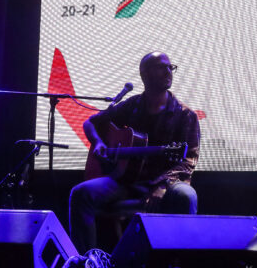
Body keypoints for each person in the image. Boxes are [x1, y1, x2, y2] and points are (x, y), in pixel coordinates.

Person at [69, 52, 200, 254]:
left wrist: (163, 185)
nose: (168, 72)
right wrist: (98, 143)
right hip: (127, 180)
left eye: (170, 67)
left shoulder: (185, 115)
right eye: (161, 67)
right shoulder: (133, 105)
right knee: (81, 193)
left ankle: (179, 264)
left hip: (165, 181)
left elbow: (188, 161)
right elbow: (91, 123)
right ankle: (87, 264)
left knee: (186, 195)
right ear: (145, 74)